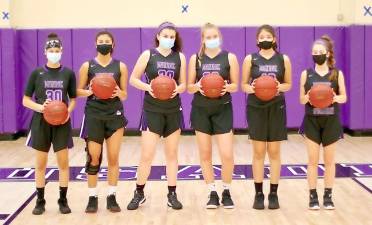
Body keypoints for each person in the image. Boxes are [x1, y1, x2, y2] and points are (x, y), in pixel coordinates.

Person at [126, 22, 186, 210]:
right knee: (147, 155)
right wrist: (149, 87)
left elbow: (183, 84)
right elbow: (133, 79)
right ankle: (139, 192)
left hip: (173, 110)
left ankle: (172, 194)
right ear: (158, 36)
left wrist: (178, 89)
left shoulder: (180, 57)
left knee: (172, 155)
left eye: (172, 36)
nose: (169, 39)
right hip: (152, 110)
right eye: (165, 35)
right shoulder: (148, 54)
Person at [23, 33, 76, 215]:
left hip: (61, 122)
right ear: (45, 52)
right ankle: (40, 200)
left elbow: (74, 98)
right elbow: (25, 100)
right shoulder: (36, 73)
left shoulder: (68, 73)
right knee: (40, 164)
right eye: (51, 50)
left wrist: (67, 112)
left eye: (57, 50)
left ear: (61, 51)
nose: (54, 53)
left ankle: (63, 200)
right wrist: (40, 107)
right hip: (41, 122)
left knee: (63, 163)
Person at [241, 24, 292, 210]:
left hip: (276, 106)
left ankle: (273, 193)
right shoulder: (250, 59)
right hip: (256, 107)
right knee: (258, 152)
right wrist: (253, 88)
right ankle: (258, 194)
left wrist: (278, 87)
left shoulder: (283, 59)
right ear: (257, 40)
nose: (265, 39)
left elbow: (289, 84)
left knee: (275, 152)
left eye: (268, 36)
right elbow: (243, 85)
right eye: (262, 36)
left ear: (274, 39)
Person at [77, 30, 128, 213]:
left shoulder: (120, 66)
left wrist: (117, 93)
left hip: (114, 114)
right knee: (93, 158)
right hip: (93, 114)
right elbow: (77, 91)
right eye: (101, 41)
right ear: (96, 44)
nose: (104, 43)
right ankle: (92, 197)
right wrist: (89, 91)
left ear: (113, 45)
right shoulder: (87, 66)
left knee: (113, 158)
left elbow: (125, 94)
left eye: (107, 41)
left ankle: (112, 196)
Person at [299, 35, 347, 210]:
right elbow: (301, 100)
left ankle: (328, 196)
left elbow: (344, 97)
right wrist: (309, 96)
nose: (317, 54)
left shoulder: (337, 73)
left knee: (329, 161)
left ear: (327, 54)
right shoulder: (306, 74)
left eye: (320, 52)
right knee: (312, 161)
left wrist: (334, 97)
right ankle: (313, 196)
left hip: (331, 120)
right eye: (314, 52)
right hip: (312, 120)